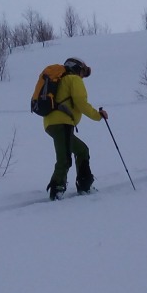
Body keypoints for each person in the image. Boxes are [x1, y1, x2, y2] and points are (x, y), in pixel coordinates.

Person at [42, 57, 108, 200]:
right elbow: (81, 103)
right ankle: (57, 188)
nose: (83, 76)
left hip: (51, 123)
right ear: (78, 68)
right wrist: (98, 115)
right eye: (83, 72)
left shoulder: (60, 81)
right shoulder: (73, 79)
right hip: (62, 123)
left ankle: (84, 184)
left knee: (81, 150)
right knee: (65, 157)